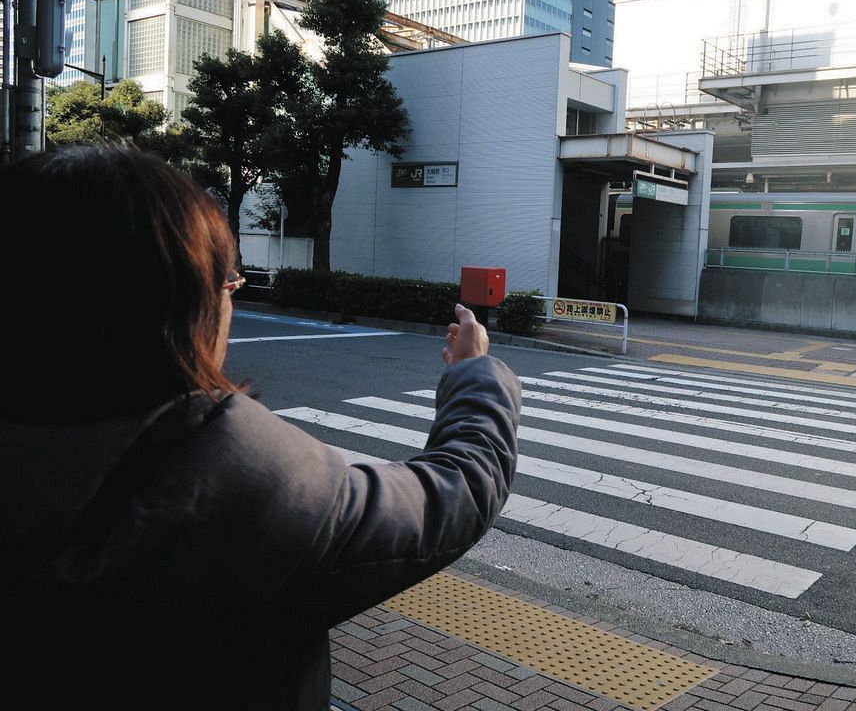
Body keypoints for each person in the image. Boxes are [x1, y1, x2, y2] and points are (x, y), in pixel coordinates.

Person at [0, 145, 521, 709]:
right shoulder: (234, 471)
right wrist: (475, 371)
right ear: (185, 303)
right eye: (228, 280)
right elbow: (455, 492)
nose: (231, 295)